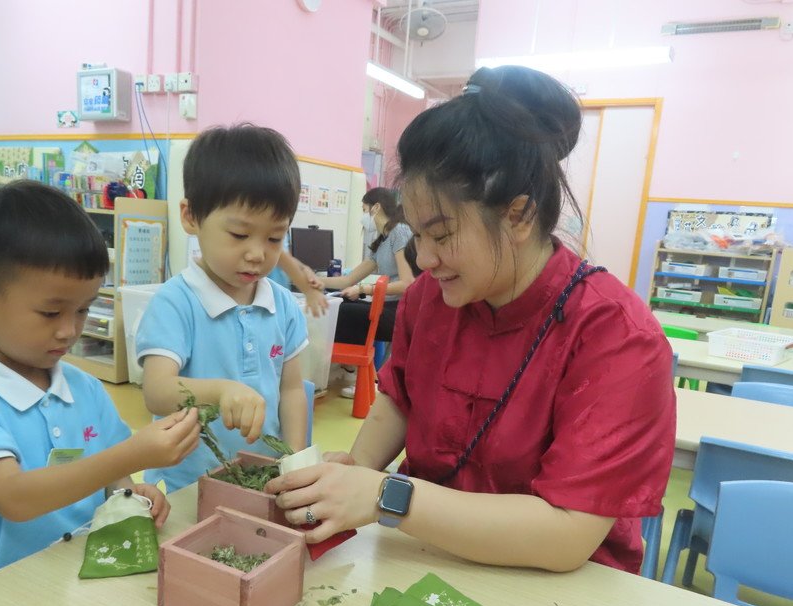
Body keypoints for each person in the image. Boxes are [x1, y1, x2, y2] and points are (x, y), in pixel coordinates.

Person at [266, 66, 675, 575]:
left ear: (519, 216)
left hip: (557, 590)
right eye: (418, 236)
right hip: (427, 558)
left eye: (442, 235)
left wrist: (387, 495)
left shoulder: (615, 335)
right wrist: (358, 470)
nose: (426, 259)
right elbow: (401, 399)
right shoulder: (429, 300)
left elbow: (567, 535)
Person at [0, 181, 201, 591]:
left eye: (83, 309)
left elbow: (110, 477)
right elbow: (15, 498)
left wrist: (129, 493)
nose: (69, 330)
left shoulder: (84, 388)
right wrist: (132, 455)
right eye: (50, 312)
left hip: (81, 580)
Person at [137, 124, 309, 492]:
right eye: (239, 235)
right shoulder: (176, 303)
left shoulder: (283, 306)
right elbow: (157, 390)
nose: (257, 253)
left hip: (260, 480)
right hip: (185, 485)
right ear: (191, 217)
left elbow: (293, 390)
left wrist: (294, 458)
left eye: (275, 237)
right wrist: (220, 392)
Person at [324, 187, 416, 397]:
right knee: (342, 304)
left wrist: (364, 289)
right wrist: (313, 280)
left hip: (401, 310)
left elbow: (408, 284)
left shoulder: (399, 232)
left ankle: (356, 373)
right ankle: (351, 371)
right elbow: (348, 280)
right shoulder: (381, 241)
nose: (363, 216)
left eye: (364, 209)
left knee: (346, 312)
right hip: (387, 305)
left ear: (376, 207)